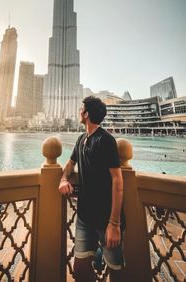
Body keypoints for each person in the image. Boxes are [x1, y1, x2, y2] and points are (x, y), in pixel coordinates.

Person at [59, 96, 126, 282]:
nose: (79, 111)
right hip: (84, 217)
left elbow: (118, 181)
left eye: (81, 109)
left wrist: (114, 224)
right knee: (80, 268)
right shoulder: (81, 139)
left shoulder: (106, 140)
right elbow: (70, 164)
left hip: (107, 220)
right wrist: (63, 179)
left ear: (86, 114)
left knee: (116, 270)